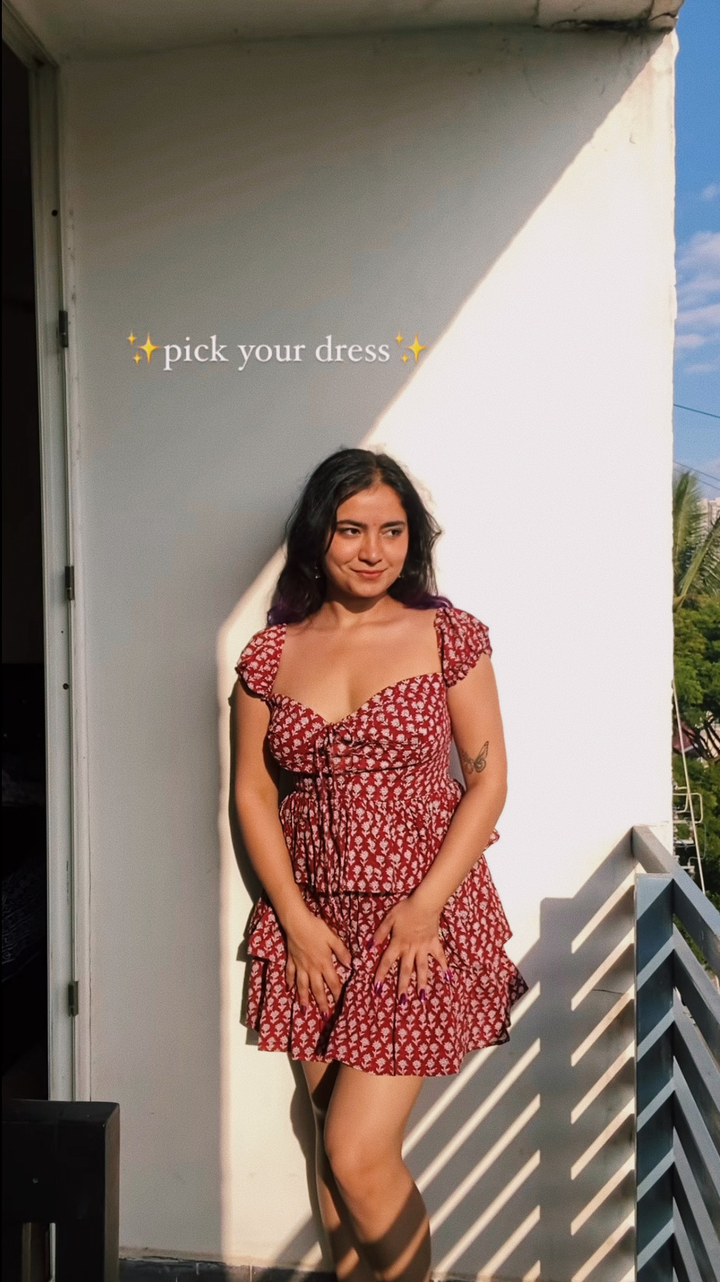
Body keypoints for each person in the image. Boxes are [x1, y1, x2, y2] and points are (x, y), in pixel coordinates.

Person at [232, 447, 528, 1282]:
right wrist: (293, 919)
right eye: (351, 529)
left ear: (413, 539)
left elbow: (488, 777)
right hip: (312, 924)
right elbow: (253, 793)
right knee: (328, 1153)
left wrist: (428, 904)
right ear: (316, 535)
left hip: (417, 923)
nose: (373, 550)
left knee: (358, 1155)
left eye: (392, 531)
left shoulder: (446, 634)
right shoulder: (268, 655)